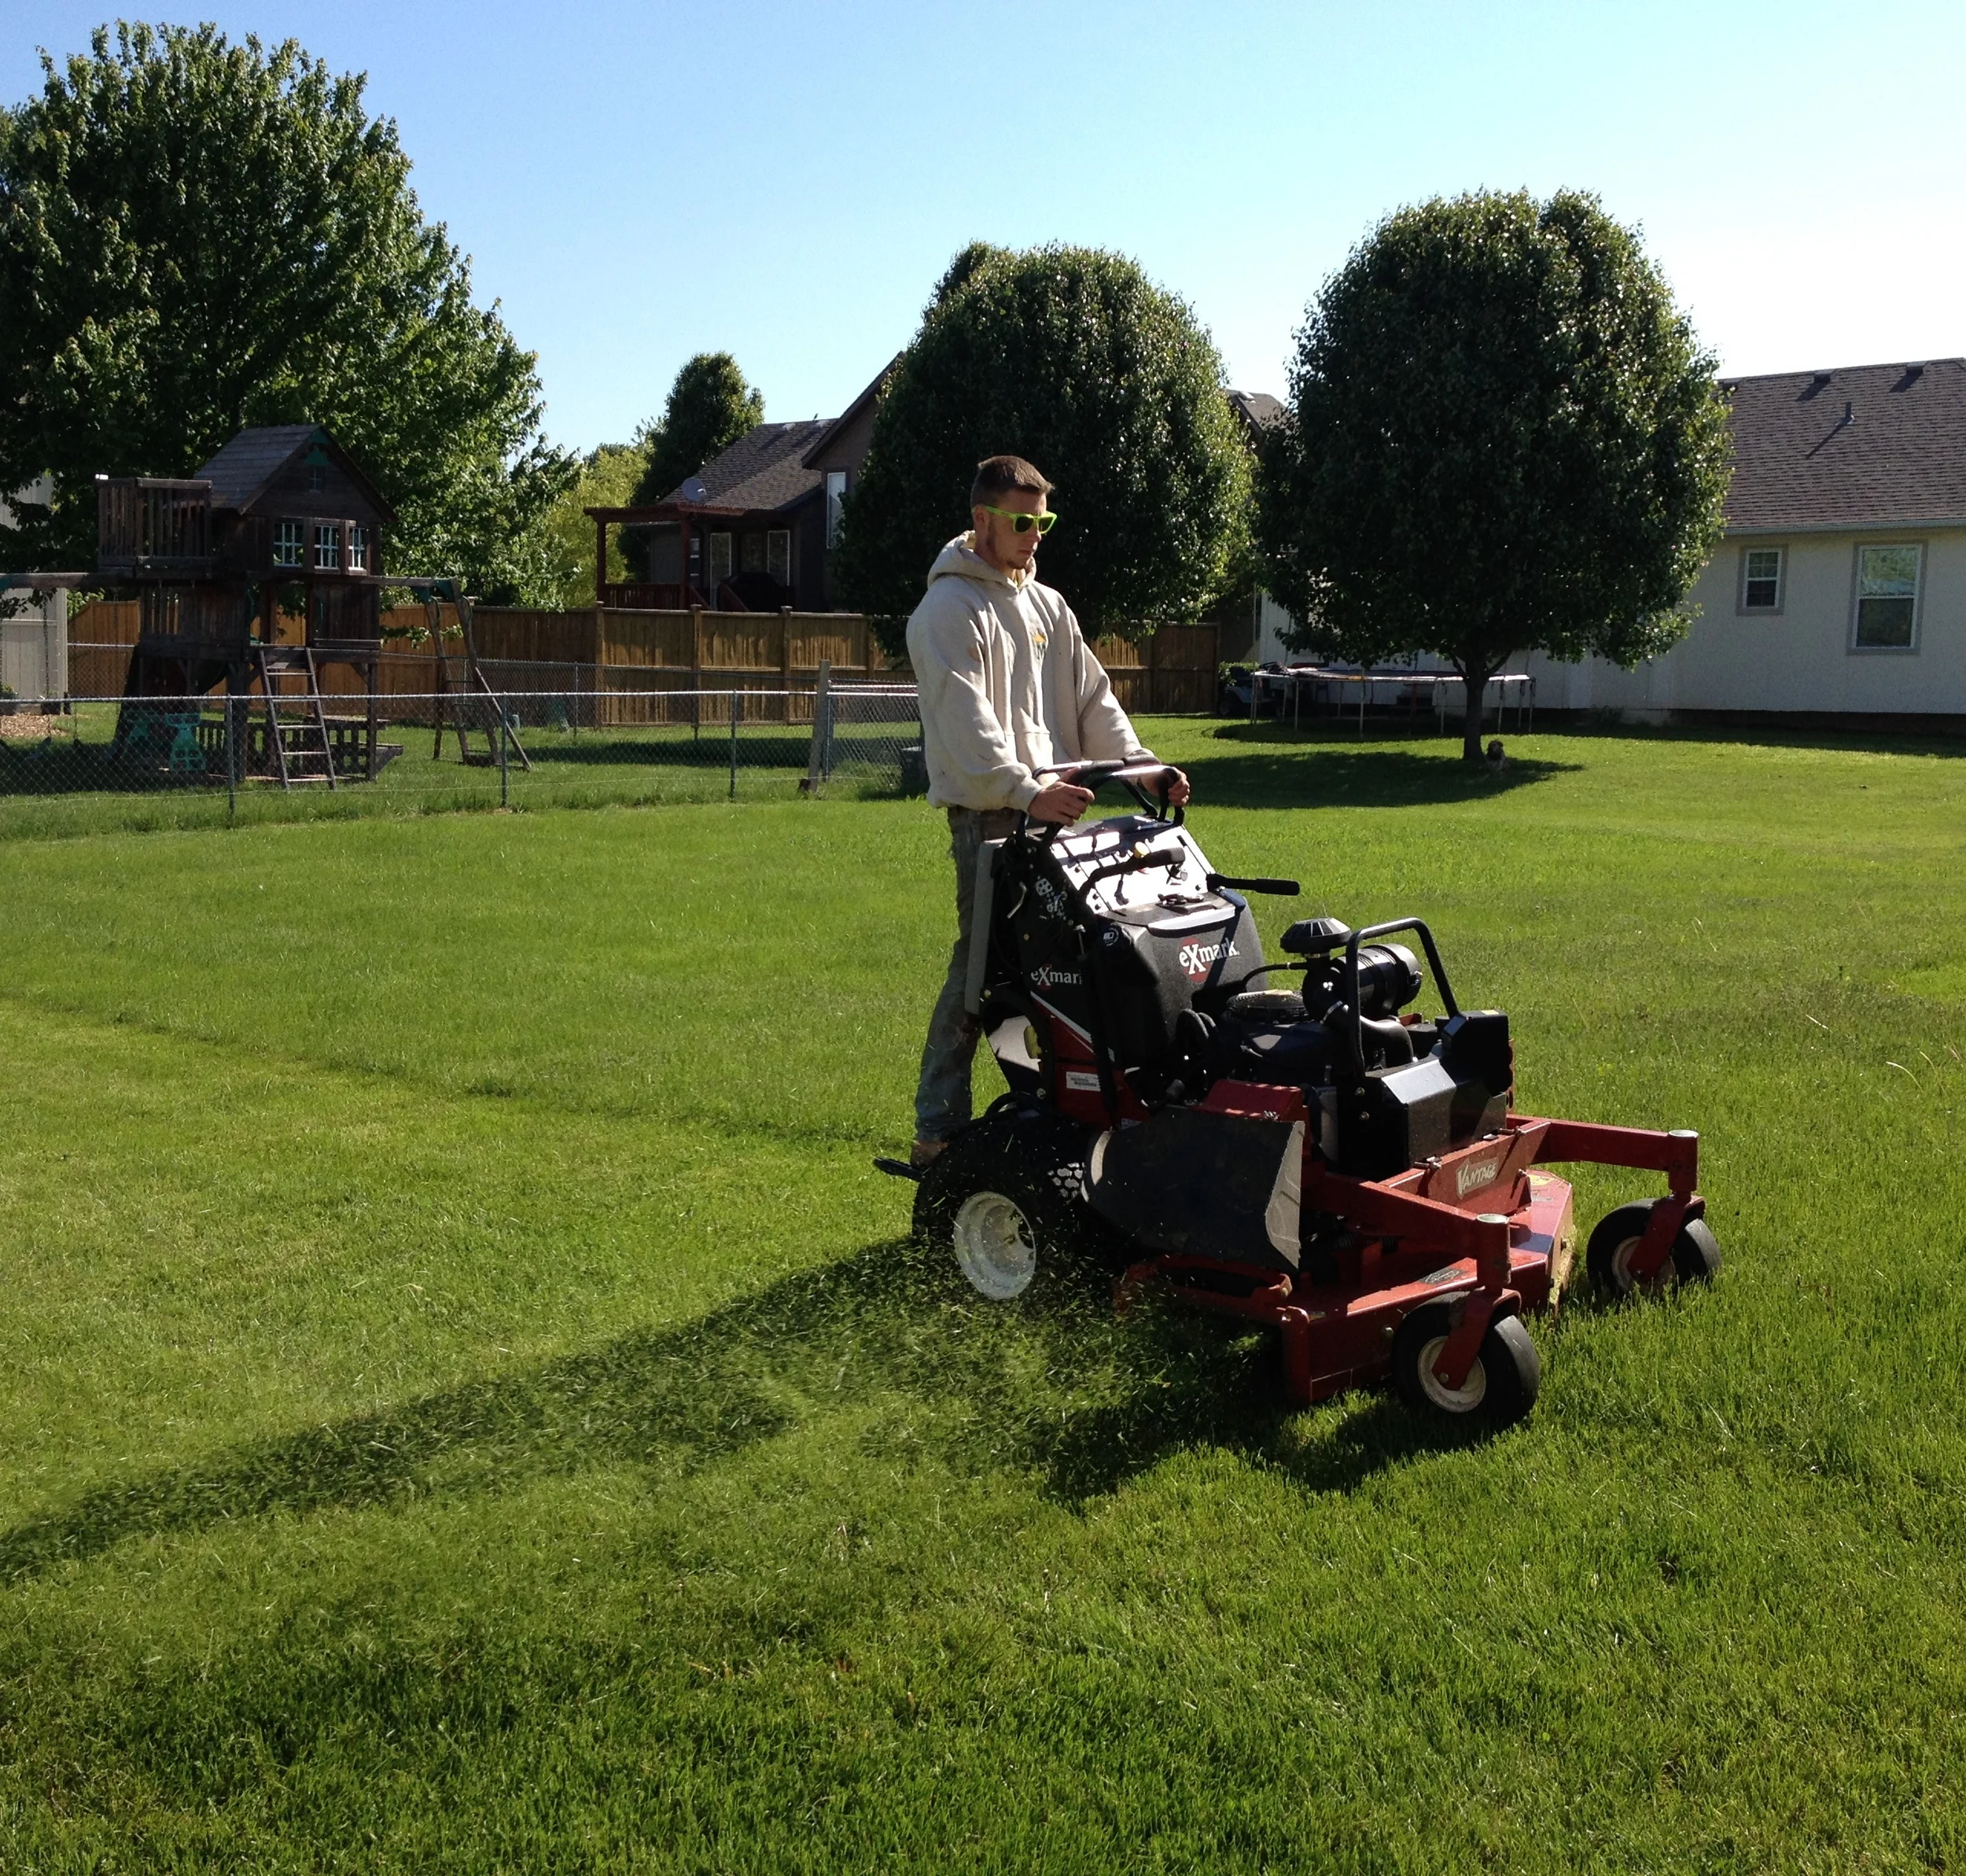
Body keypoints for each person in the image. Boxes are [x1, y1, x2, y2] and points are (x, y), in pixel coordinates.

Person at [905, 454, 1188, 1167]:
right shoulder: (946, 612)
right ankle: (937, 1130)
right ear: (982, 520)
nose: (1036, 536)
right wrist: (1028, 792)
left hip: (1060, 818)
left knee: (1072, 968)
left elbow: (1094, 700)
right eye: (1022, 522)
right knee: (979, 975)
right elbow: (968, 726)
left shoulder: (1048, 606)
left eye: (1044, 521)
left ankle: (1072, 1105)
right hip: (993, 824)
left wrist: (1144, 772)